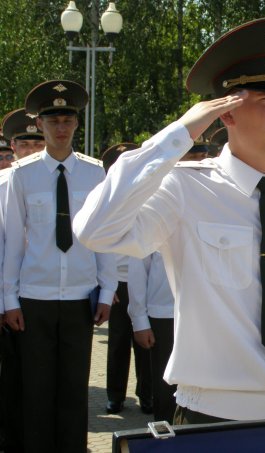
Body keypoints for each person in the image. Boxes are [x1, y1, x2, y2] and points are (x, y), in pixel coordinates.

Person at [73, 17, 265, 424]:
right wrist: (179, 134)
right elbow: (95, 230)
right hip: (217, 416)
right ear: (226, 114)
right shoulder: (184, 189)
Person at [3, 80, 117, 453]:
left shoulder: (95, 173)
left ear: (77, 123)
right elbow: (13, 241)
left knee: (73, 390)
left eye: (68, 119)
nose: (61, 127)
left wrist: (108, 290)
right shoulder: (22, 174)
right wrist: (9, 299)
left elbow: (103, 236)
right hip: (34, 296)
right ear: (40, 124)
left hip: (80, 297)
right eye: (53, 121)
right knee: (36, 390)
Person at [0, 107, 46, 453]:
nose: (31, 150)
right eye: (25, 144)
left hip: (36, 295)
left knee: (35, 378)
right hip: (8, 298)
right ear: (13, 147)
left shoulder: (58, 179)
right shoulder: (4, 184)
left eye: (37, 143)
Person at [101, 143, 153, 415]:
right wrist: (105, 285)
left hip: (145, 281)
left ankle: (147, 393)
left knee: (145, 342)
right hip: (118, 282)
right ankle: (115, 395)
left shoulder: (149, 196)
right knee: (118, 342)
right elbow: (97, 247)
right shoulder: (105, 202)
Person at [128, 251, 177, 422]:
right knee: (165, 390)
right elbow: (138, 267)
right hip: (164, 314)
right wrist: (139, 319)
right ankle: (166, 436)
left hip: (203, 315)